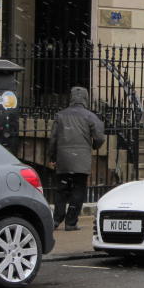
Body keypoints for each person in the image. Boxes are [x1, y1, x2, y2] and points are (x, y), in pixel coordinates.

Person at [49, 87, 105, 230]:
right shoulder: (90, 116)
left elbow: (53, 139)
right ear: (85, 99)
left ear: (71, 98)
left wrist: (52, 156)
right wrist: (94, 146)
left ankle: (57, 219)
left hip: (63, 158)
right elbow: (99, 136)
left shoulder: (60, 115)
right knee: (78, 190)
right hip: (81, 159)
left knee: (61, 189)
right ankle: (71, 222)